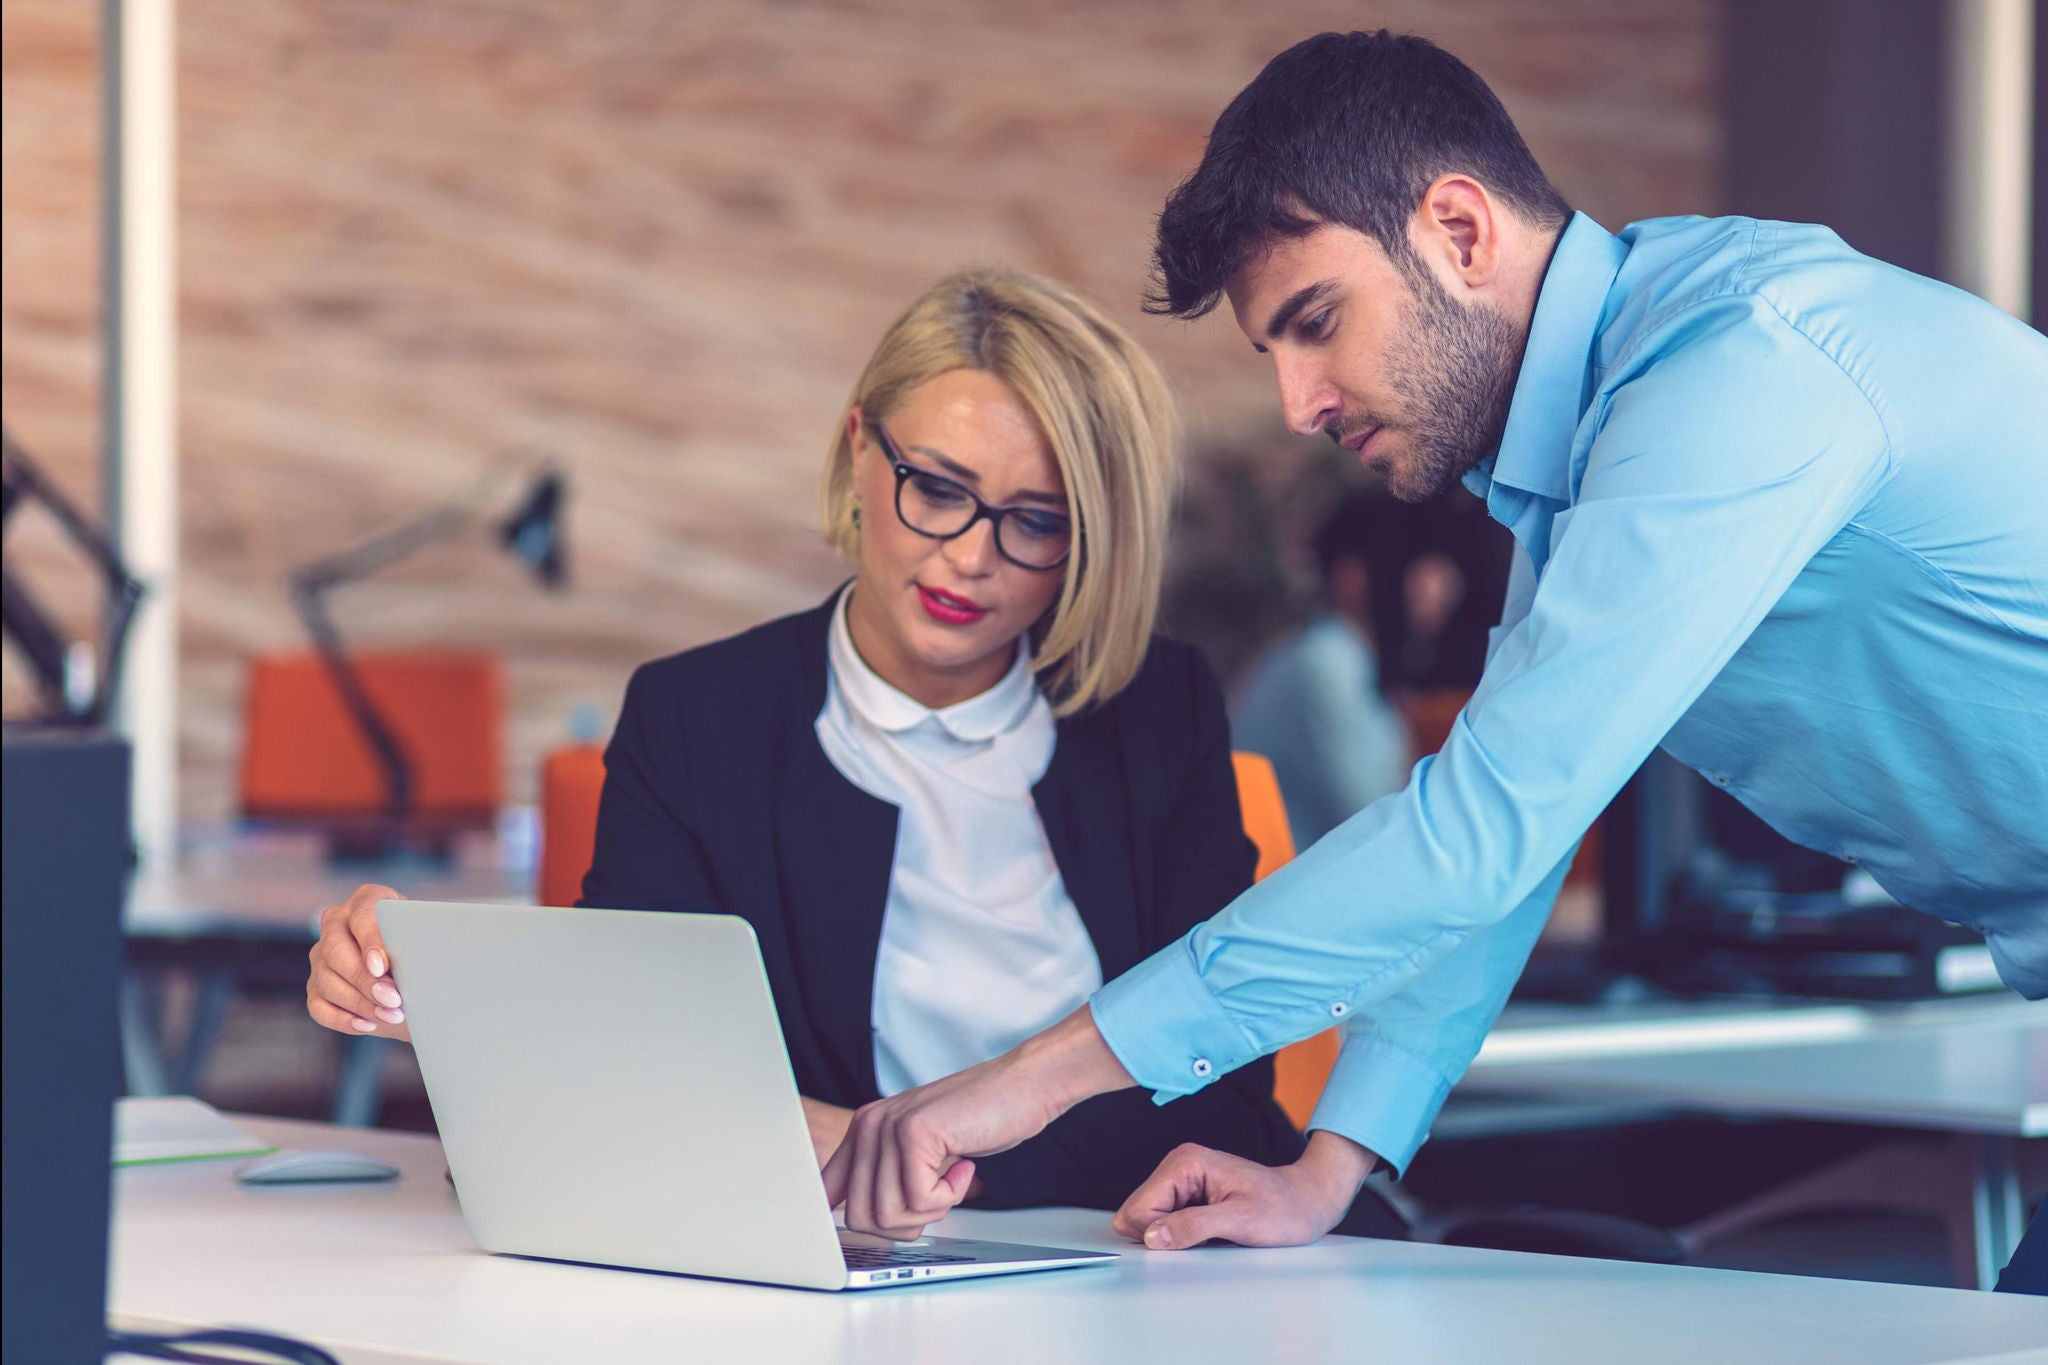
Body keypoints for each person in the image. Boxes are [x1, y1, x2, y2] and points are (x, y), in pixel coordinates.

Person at [820, 30, 2048, 1294]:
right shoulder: (1590, 467)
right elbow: (1505, 852)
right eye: (1272, 353)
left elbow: (1473, 837)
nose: (1299, 402)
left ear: (1457, 232)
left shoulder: (1739, 373)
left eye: (1314, 322)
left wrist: (1035, 1080)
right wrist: (1329, 1168)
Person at [303, 268, 1398, 1229]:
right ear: (857, 453)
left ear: (1087, 540)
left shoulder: (1157, 709)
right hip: (821, 1289)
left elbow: (1215, 1099)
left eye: (1034, 519)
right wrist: (416, 984)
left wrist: (857, 1142)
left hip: (1120, 1269)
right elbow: (637, 1081)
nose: (969, 557)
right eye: (937, 490)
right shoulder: (701, 719)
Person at [1230, 491, 1410, 849]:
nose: (1435, 585)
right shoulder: (1324, 666)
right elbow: (1376, 822)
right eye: (1408, 562)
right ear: (1351, 578)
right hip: (1277, 888)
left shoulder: (1345, 659)